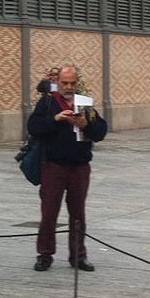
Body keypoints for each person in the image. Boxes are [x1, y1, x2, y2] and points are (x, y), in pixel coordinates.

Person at [26, 65, 106, 272]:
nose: (69, 87)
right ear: (58, 82)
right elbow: (33, 127)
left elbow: (100, 131)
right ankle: (45, 254)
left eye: (72, 83)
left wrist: (86, 123)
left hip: (79, 167)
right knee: (49, 212)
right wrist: (56, 119)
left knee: (78, 213)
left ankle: (78, 255)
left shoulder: (84, 104)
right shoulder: (48, 102)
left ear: (76, 83)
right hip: (53, 166)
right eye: (65, 83)